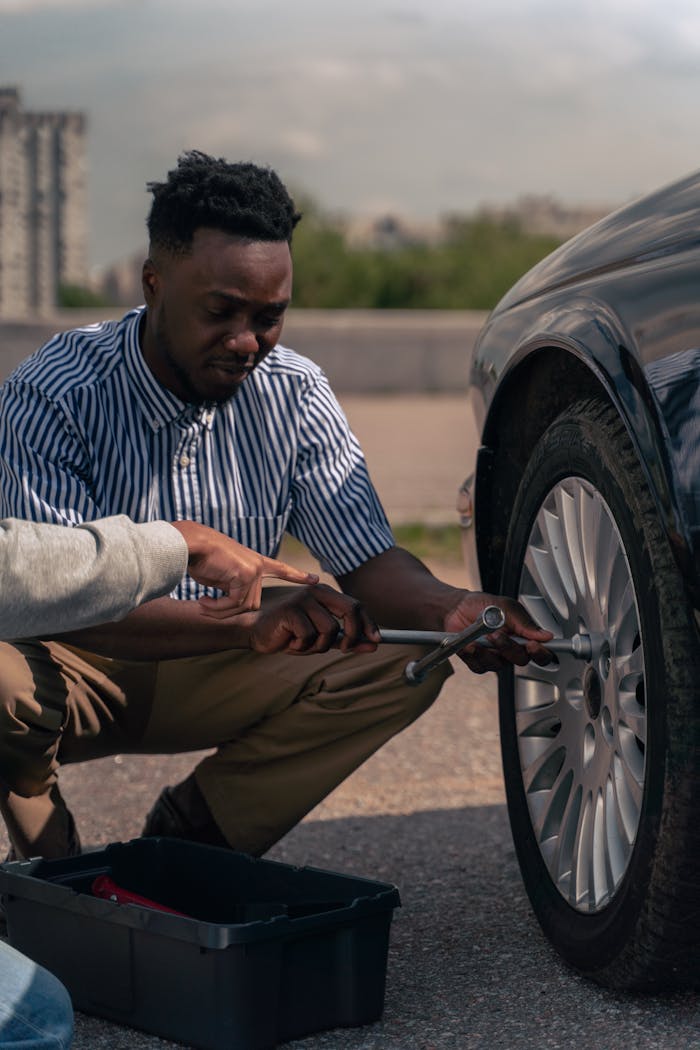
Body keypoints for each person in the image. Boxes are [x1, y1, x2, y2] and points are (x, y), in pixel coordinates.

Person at [0, 150, 552, 865]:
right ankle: (47, 847)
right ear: (153, 282)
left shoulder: (295, 391)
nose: (245, 343)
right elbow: (58, 602)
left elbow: (367, 559)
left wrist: (447, 605)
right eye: (220, 312)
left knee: (397, 665)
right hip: (78, 667)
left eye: (270, 317)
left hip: (224, 662)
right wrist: (248, 623)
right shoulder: (55, 389)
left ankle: (189, 849)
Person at [0, 512, 316, 1049]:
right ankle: (45, 877)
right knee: (37, 1021)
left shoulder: (296, 423)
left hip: (210, 653)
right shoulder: (50, 423)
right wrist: (181, 545)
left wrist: (451, 607)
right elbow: (25, 580)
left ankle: (181, 854)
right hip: (75, 650)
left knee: (37, 1014)